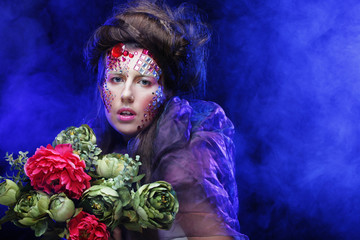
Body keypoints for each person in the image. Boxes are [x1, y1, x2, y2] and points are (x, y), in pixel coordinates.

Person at [85, 0, 249, 239]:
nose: (127, 94)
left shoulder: (196, 137)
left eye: (144, 82)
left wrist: (176, 164)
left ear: (167, 91)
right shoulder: (95, 148)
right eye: (116, 78)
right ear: (101, 86)